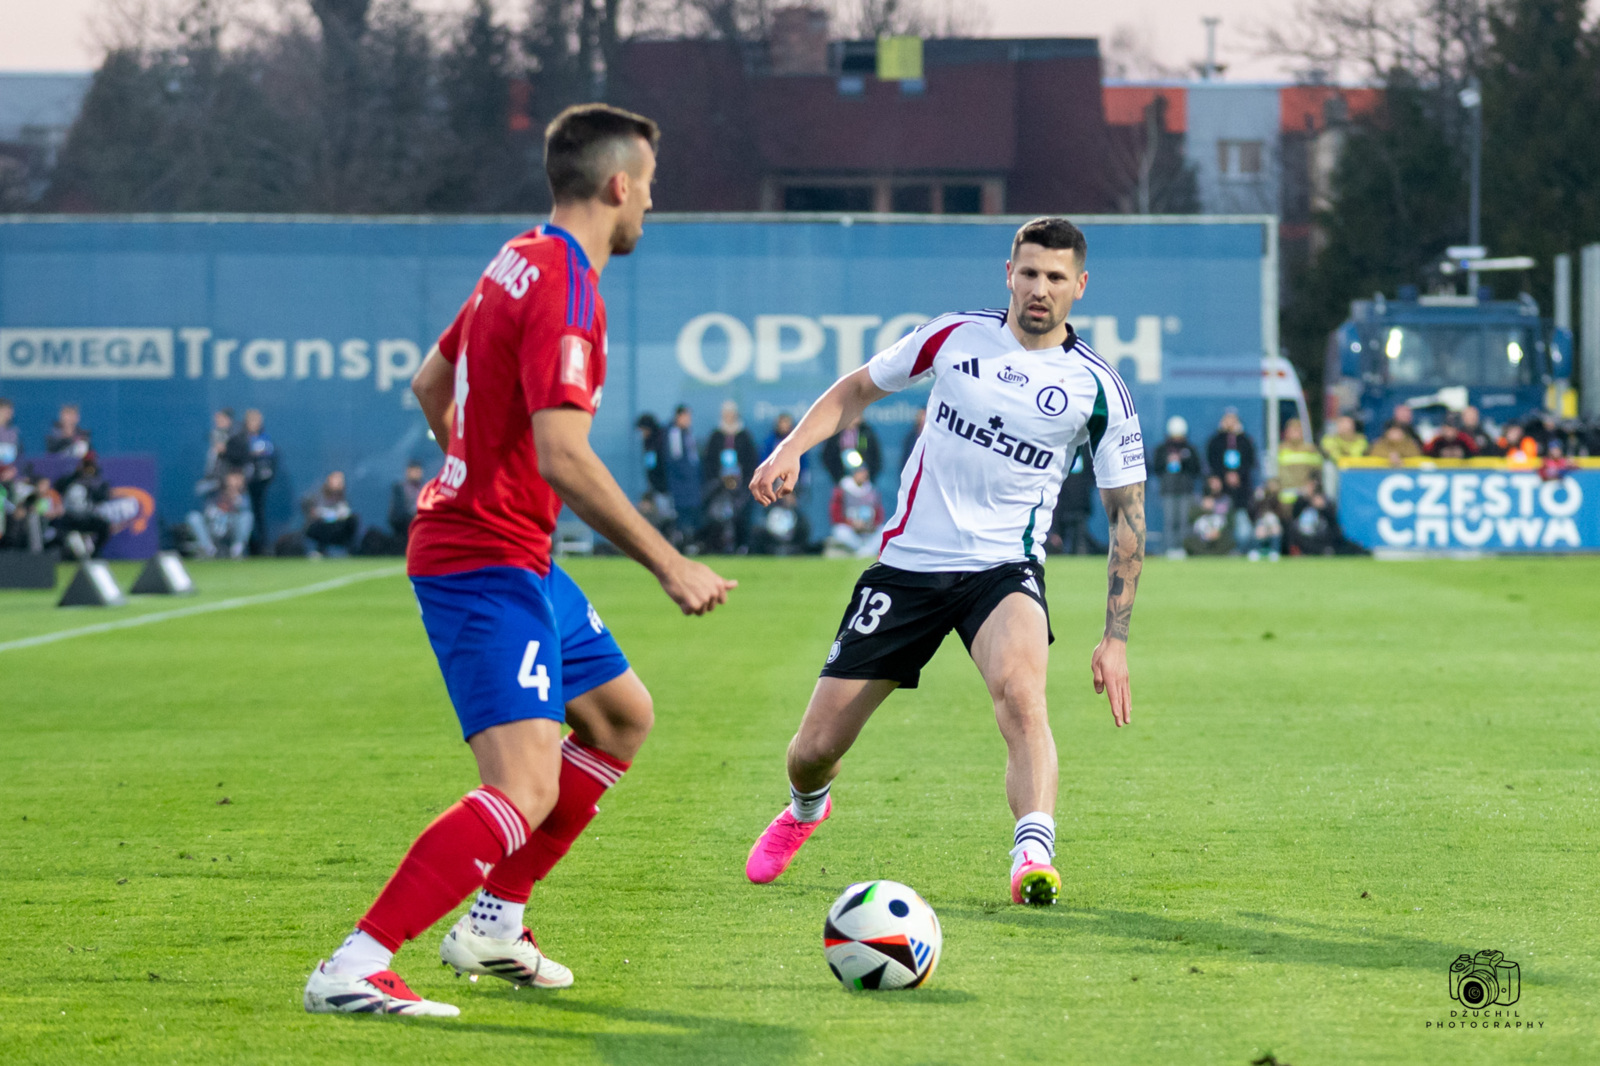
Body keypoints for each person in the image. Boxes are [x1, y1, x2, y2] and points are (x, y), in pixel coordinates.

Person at [304, 104, 735, 1018]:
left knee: (620, 718)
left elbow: (431, 384)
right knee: (526, 785)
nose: (652, 203)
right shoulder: (568, 285)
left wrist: (476, 469)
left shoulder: (518, 257)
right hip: (482, 560)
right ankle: (359, 959)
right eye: (650, 184)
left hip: (514, 550)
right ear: (619, 185)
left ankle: (496, 919)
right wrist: (669, 563)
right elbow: (564, 455)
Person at [743, 217, 1146, 907]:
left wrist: (1116, 638)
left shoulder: (1096, 387)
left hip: (1001, 571)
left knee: (1023, 699)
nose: (1039, 288)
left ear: (1079, 286)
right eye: (1028, 272)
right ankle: (808, 809)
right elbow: (858, 388)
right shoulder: (956, 336)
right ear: (1009, 273)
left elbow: (1126, 515)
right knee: (813, 749)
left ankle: (1033, 855)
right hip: (906, 568)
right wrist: (790, 449)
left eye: (1055, 277)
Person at [1151, 415, 1200, 557]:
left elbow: (1195, 469)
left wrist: (1183, 460)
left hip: (1185, 490)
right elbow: (1157, 468)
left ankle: (1183, 548)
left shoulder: (1190, 449)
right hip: (1168, 490)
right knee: (1170, 521)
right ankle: (1170, 548)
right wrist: (1168, 461)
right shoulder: (1162, 449)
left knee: (1185, 521)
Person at [1206, 408, 1256, 546]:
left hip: (1240, 491)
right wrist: (1223, 476)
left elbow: (1249, 462)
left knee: (1242, 524)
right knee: (1222, 521)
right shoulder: (1216, 440)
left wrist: (1237, 475)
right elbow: (1212, 462)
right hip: (1222, 492)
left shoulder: (1245, 440)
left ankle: (1242, 548)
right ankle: (1224, 547)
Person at [52, 451, 112, 558]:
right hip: (71, 516)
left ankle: (94, 552)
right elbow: (59, 487)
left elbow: (103, 497)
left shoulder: (98, 481)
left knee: (104, 526)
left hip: (88, 516)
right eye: (86, 465)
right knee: (64, 530)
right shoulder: (71, 479)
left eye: (90, 465)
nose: (88, 469)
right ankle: (71, 552)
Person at [186, 470, 254, 558]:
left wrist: (236, 497)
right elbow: (198, 489)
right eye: (232, 478)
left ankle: (237, 549)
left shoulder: (243, 494)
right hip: (211, 525)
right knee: (193, 516)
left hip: (230, 528)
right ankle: (207, 548)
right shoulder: (213, 490)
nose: (234, 482)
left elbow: (246, 509)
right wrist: (218, 483)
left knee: (247, 516)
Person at [235, 409, 276, 553]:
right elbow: (239, 457)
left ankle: (261, 547)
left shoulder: (265, 438)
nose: (256, 424)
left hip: (260, 483)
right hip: (243, 484)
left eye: (258, 421)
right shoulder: (241, 439)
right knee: (244, 512)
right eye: (253, 421)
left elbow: (269, 455)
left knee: (258, 514)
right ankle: (244, 546)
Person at [824, 466, 884, 557]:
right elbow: (836, 517)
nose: (863, 475)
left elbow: (879, 516)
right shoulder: (842, 490)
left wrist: (869, 526)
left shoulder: (871, 491)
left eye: (864, 473)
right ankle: (864, 551)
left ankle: (865, 551)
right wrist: (852, 524)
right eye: (860, 473)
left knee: (883, 531)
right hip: (851, 531)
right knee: (840, 531)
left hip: (868, 531)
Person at [701, 399, 759, 490]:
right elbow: (709, 459)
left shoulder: (744, 435)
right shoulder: (716, 436)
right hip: (719, 485)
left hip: (741, 484)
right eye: (726, 414)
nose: (729, 417)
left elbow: (751, 459)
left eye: (731, 414)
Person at [301, 471, 359, 556]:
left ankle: (350, 550)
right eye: (336, 481)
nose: (338, 484)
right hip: (322, 527)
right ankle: (320, 550)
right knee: (320, 526)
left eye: (340, 482)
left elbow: (346, 513)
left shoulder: (343, 498)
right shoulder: (317, 496)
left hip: (338, 528)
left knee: (352, 520)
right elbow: (312, 512)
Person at [664, 405, 701, 536]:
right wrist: (688, 474)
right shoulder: (675, 434)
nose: (689, 420)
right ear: (678, 417)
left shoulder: (687, 433)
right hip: (682, 484)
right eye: (686, 416)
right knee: (683, 515)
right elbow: (676, 459)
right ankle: (683, 541)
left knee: (692, 514)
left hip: (690, 483)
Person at [820, 413, 882, 484]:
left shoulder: (866, 432)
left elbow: (875, 457)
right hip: (841, 481)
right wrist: (839, 477)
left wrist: (867, 474)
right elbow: (828, 456)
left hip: (864, 482)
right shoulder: (835, 434)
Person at [1274, 418, 1323, 501]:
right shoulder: (1280, 450)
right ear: (1286, 432)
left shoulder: (1311, 450)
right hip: (1283, 497)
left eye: (1298, 430)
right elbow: (1273, 474)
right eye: (1293, 430)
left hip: (1305, 497)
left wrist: (1312, 486)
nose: (1295, 433)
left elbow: (1318, 473)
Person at [389, 460, 426, 544]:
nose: (416, 473)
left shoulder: (426, 488)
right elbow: (396, 514)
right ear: (407, 471)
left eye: (418, 470)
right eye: (413, 470)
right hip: (405, 524)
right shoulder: (399, 488)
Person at [0, 398, 20, 470]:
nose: (10, 413)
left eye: (10, 410)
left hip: (9, 473)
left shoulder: (13, 433)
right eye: (5, 410)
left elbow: (14, 458)